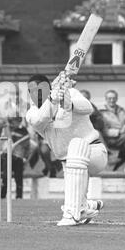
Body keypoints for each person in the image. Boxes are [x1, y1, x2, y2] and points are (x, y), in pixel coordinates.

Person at [26, 73, 107, 226]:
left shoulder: (71, 93)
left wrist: (67, 101)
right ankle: (84, 206)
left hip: (94, 152)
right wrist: (52, 100)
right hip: (70, 164)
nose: (34, 94)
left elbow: (88, 108)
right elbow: (40, 120)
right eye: (30, 91)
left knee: (76, 146)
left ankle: (72, 213)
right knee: (72, 159)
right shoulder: (31, 113)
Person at [99, 90, 125, 171]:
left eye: (114, 98)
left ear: (117, 99)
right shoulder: (102, 113)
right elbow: (104, 131)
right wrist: (119, 132)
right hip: (110, 139)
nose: (112, 100)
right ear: (106, 99)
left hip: (123, 138)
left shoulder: (122, 110)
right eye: (109, 98)